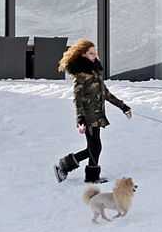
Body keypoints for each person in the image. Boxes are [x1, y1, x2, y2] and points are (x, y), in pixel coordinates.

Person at [53, 39, 131, 183]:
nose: (94, 55)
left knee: (94, 147)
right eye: (90, 53)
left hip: (97, 115)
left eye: (95, 53)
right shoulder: (80, 75)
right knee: (95, 147)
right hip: (87, 117)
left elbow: (105, 93)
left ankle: (67, 165)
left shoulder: (96, 71)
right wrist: (80, 118)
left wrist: (122, 106)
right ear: (83, 55)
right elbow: (77, 98)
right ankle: (77, 171)